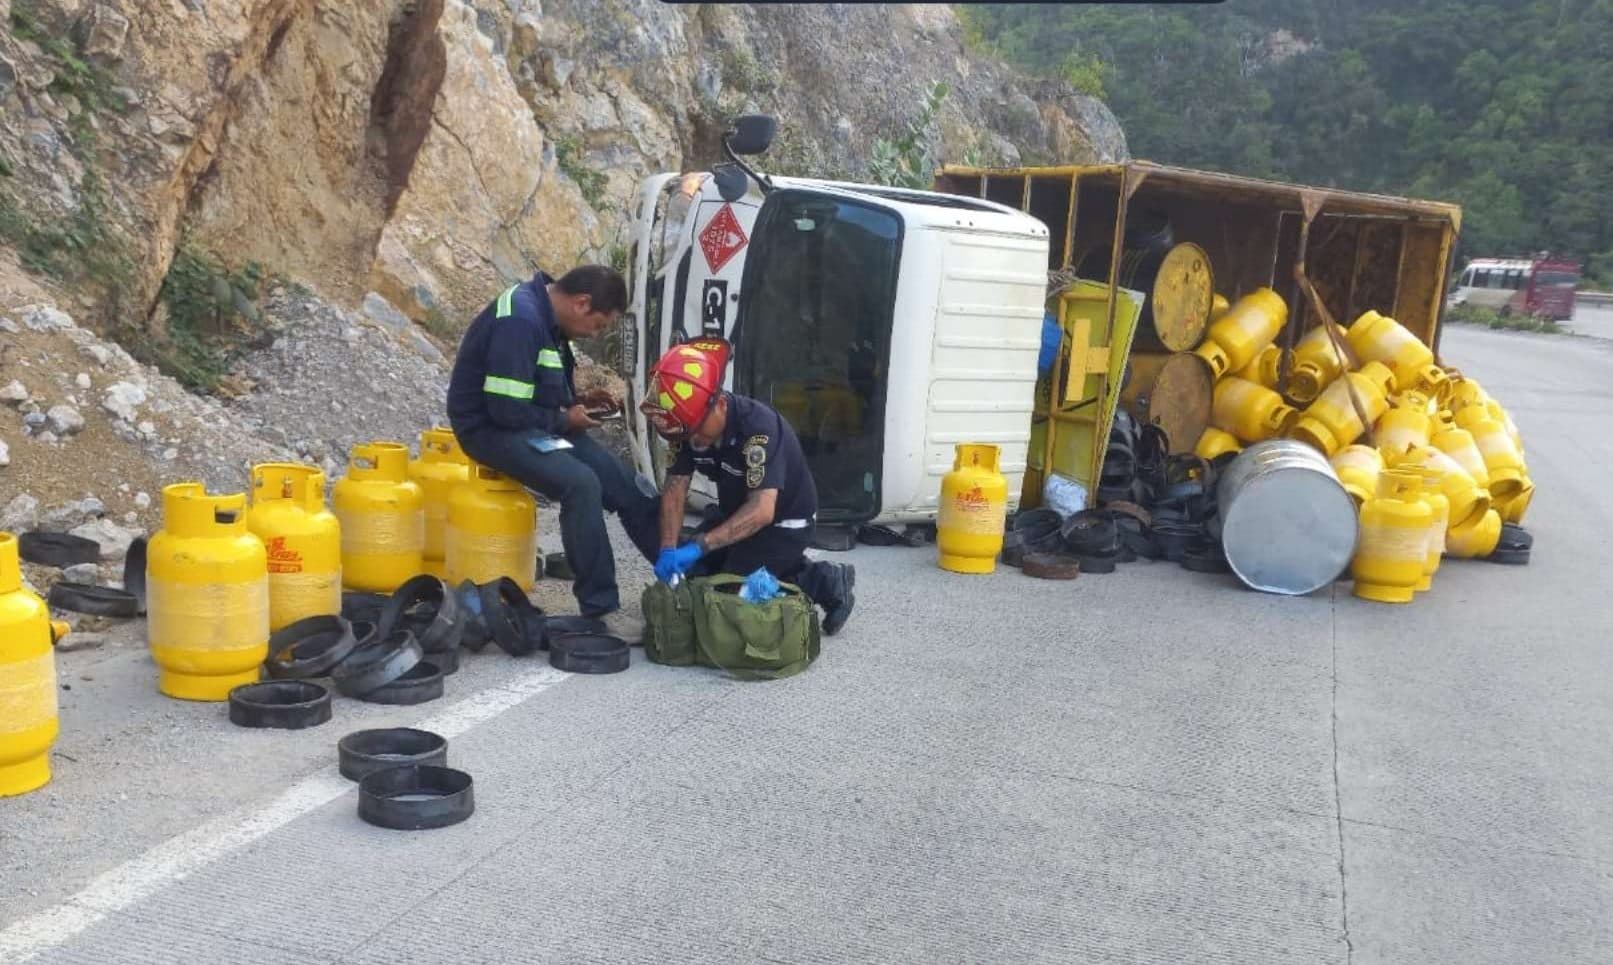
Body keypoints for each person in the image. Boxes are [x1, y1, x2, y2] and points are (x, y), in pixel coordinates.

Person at [446, 266, 659, 635]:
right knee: (581, 484)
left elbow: (535, 386)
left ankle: (685, 577)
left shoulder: (548, 316)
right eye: (598, 325)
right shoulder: (520, 320)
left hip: (533, 423)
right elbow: (505, 410)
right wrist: (565, 421)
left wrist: (577, 401)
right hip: (488, 429)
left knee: (626, 485)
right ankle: (600, 609)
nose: (595, 334)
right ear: (581, 303)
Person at [642, 339, 856, 635]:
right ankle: (770, 567)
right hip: (736, 514)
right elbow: (676, 487)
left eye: (697, 432)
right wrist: (668, 548)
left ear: (718, 404)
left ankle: (823, 580)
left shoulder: (758, 431)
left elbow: (761, 511)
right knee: (697, 577)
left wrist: (700, 546)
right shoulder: (689, 425)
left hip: (783, 524)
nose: (695, 441)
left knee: (730, 601)